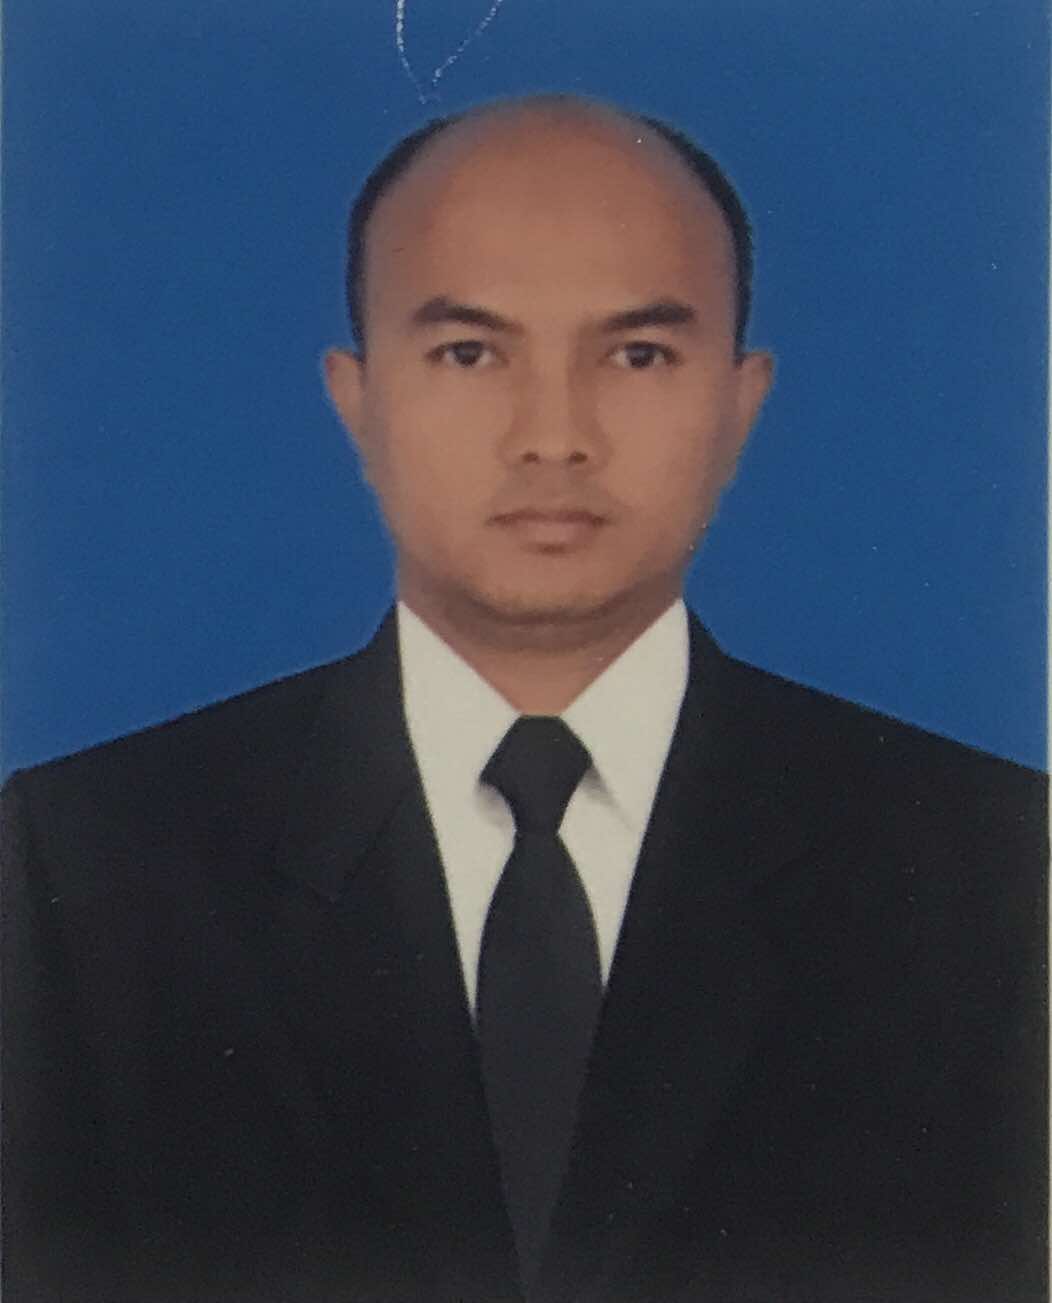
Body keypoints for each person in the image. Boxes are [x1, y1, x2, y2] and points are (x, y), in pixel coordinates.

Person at [2, 93, 1046, 1303]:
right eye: (469, 353)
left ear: (739, 401)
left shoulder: (994, 871)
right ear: (356, 397)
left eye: (636, 355)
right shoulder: (87, 867)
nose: (553, 438)